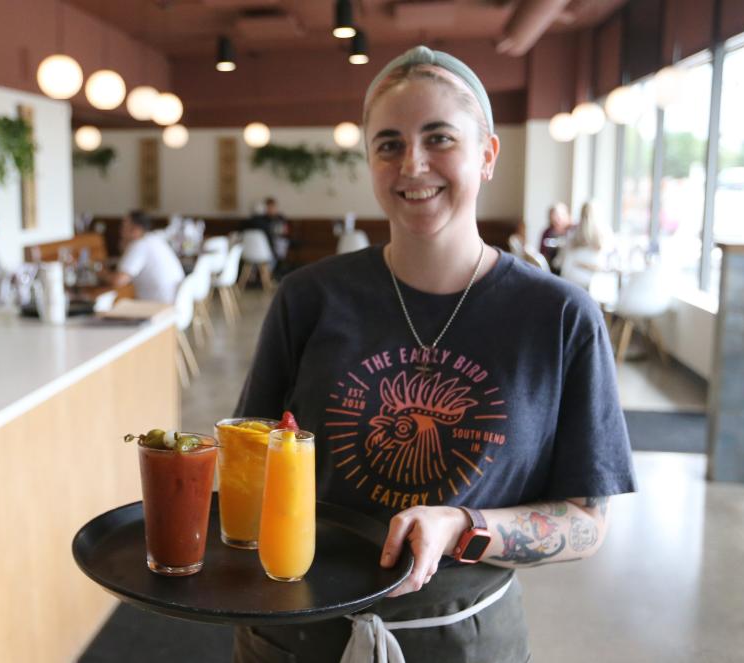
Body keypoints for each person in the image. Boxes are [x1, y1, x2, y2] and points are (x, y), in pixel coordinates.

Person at [232, 46, 635, 662]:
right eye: (388, 144)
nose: (412, 164)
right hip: (295, 632)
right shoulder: (310, 298)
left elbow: (586, 521)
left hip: (464, 638)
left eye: (439, 138)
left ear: (487, 154)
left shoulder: (557, 316)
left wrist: (465, 526)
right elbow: (250, 461)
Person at [107, 210, 184, 304]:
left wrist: (101, 273)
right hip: (175, 302)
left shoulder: (140, 245)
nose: (121, 231)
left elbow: (119, 281)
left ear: (135, 229)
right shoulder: (154, 239)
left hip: (160, 306)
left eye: (124, 226)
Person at [559, 200, 615, 290]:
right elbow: (607, 265)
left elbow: (563, 262)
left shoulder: (572, 234)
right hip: (594, 283)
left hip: (571, 280)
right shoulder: (606, 234)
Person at [539, 202, 572, 272]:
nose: (557, 219)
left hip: (567, 267)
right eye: (554, 215)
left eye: (561, 215)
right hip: (551, 268)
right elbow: (542, 253)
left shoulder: (572, 231)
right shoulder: (547, 232)